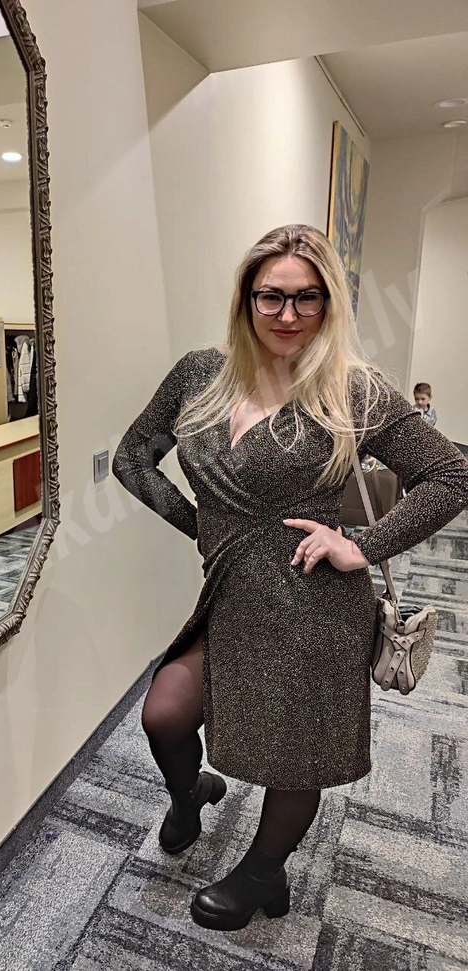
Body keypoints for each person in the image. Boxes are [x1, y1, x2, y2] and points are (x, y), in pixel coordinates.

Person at [112, 224, 468, 932]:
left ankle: (263, 871)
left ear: (329, 303)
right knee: (165, 714)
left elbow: (451, 475)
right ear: (246, 298)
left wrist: (361, 545)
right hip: (231, 591)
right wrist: (200, 528)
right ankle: (189, 795)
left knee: (294, 751)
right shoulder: (198, 375)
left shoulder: (353, 389)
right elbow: (131, 460)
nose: (288, 314)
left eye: (308, 297)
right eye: (271, 296)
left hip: (315, 600)